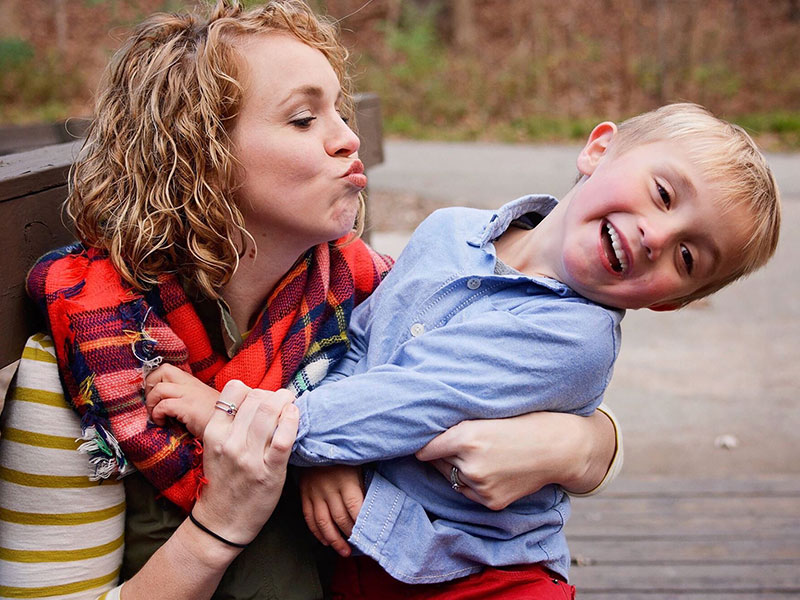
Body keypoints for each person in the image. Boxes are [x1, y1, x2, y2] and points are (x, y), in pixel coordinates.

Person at [0, 1, 620, 599]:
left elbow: (529, 374)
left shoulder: (365, 297)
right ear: (198, 157)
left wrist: (583, 447)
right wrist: (218, 528)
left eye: (340, 113)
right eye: (304, 119)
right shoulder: (91, 354)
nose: (348, 138)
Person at [148, 102, 781, 599]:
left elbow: (414, 400)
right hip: (358, 549)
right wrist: (322, 455)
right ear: (598, 149)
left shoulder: (575, 339)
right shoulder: (450, 230)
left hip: (478, 575)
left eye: (687, 256)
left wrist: (234, 417)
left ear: (668, 303)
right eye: (664, 194)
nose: (656, 236)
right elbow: (359, 342)